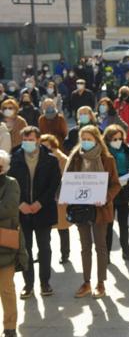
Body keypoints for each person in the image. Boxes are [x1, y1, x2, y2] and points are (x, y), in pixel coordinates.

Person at [65, 125, 121, 298]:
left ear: (97, 140)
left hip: (100, 209)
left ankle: (101, 283)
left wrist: (105, 197)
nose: (86, 142)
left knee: (101, 246)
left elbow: (116, 184)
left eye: (89, 139)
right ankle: (86, 282)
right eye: (83, 139)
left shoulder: (107, 159)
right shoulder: (75, 158)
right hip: (80, 208)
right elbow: (67, 180)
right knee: (85, 247)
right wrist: (67, 195)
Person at [8, 126, 61, 299]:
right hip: (22, 212)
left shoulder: (51, 160)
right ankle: (28, 284)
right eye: (25, 139)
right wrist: (20, 203)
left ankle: (45, 283)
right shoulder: (13, 159)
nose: (27, 142)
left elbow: (54, 184)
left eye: (31, 139)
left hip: (43, 210)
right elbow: (9, 184)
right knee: (25, 248)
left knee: (44, 247)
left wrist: (39, 203)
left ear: (38, 140)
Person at [0, 150, 28, 337]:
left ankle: (10, 326)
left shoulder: (11, 183)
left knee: (6, 288)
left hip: (4, 242)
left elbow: (8, 209)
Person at [103, 125, 129, 261]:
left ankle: (126, 251)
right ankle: (106, 254)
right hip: (110, 190)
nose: (117, 141)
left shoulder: (126, 149)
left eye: (119, 138)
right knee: (109, 224)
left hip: (124, 190)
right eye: (114, 138)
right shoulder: (103, 153)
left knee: (124, 223)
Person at [40, 134, 71, 264]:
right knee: (43, 229)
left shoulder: (62, 159)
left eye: (47, 146)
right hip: (44, 198)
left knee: (62, 228)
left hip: (59, 198)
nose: (44, 148)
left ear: (53, 146)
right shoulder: (40, 157)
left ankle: (65, 253)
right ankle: (42, 253)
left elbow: (67, 179)